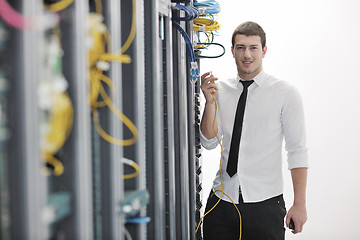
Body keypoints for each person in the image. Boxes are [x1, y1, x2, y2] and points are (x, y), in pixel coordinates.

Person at [200, 21, 308, 240]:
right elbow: (209, 142)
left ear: (264, 51)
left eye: (253, 47)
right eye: (240, 47)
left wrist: (300, 204)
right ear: (232, 51)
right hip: (221, 202)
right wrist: (209, 103)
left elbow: (297, 151)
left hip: (264, 206)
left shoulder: (285, 93)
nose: (246, 54)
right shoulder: (221, 90)